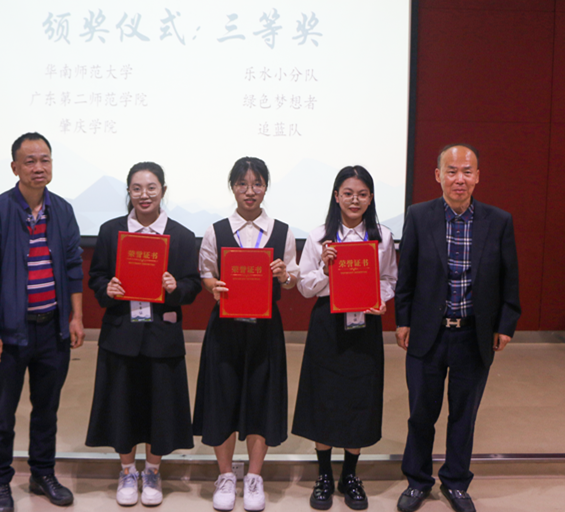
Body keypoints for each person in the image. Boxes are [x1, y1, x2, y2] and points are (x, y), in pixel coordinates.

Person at [394, 144, 520, 512]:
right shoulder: (419, 216)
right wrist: (403, 320)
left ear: (477, 176)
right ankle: (417, 481)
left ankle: (456, 481)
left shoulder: (499, 221)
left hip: (473, 334)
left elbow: (510, 278)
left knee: (464, 414)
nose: (459, 179)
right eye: (451, 171)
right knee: (422, 413)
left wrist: (506, 324)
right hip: (427, 333)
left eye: (467, 171)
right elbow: (407, 274)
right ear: (438, 176)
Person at [0, 132, 85, 511]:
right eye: (30, 161)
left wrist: (76, 317)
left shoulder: (62, 210)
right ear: (15, 167)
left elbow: (73, 267)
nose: (38, 167)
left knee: (46, 409)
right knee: (3, 412)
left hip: (53, 329)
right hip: (9, 334)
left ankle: (42, 473)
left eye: (45, 160)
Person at [86, 162, 202, 507]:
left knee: (160, 406)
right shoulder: (111, 232)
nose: (144, 195)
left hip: (161, 335)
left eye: (151, 187)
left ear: (163, 190)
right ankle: (127, 471)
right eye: (136, 188)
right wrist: (107, 288)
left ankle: (152, 471)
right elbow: (96, 277)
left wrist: (175, 287)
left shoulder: (181, 236)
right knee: (121, 404)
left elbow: (193, 285)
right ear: (128, 192)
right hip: (121, 333)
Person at [193, 157, 299, 512]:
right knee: (221, 396)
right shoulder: (216, 230)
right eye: (242, 184)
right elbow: (206, 273)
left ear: (266, 187)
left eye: (257, 184)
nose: (249, 191)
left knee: (262, 397)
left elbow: (292, 278)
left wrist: (284, 275)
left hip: (265, 329)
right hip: (225, 328)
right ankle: (225, 476)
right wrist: (214, 286)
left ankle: (254, 477)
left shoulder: (282, 231)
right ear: (232, 188)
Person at [292, 166, 397, 511]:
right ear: (336, 196)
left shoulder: (382, 236)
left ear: (371, 198)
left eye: (362, 194)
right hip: (328, 324)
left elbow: (389, 279)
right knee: (324, 397)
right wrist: (325, 267)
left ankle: (349, 475)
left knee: (360, 398)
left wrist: (380, 299)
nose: (355, 200)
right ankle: (324, 475)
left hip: (365, 325)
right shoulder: (319, 236)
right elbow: (305, 288)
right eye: (348, 193)